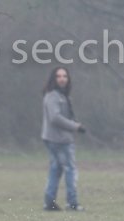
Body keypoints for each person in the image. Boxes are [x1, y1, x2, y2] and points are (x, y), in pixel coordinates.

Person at [41, 66, 86, 211]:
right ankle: (72, 203)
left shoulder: (62, 96)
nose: (62, 79)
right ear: (53, 79)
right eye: (59, 76)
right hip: (59, 140)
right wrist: (75, 126)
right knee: (70, 169)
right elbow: (55, 118)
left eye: (64, 76)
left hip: (56, 138)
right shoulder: (53, 96)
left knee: (56, 169)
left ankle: (49, 203)